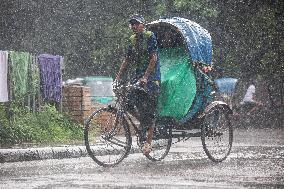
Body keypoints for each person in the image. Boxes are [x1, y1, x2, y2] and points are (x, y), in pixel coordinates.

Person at [115, 15, 161, 155]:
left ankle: (148, 143)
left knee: (150, 111)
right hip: (138, 78)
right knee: (128, 103)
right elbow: (127, 60)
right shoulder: (132, 40)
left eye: (136, 24)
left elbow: (154, 58)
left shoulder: (150, 36)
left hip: (151, 78)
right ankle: (144, 123)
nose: (134, 26)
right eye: (132, 24)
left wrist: (146, 77)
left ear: (143, 25)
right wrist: (117, 77)